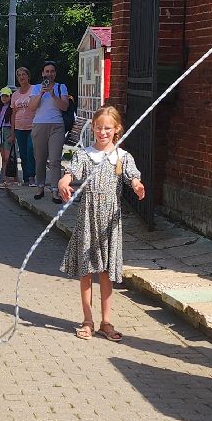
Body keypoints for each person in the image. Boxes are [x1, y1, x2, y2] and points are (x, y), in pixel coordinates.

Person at [58, 105, 145, 341]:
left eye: (107, 128)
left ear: (117, 129)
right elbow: (70, 173)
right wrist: (63, 181)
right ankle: (87, 320)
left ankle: (106, 321)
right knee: (86, 271)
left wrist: (137, 186)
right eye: (98, 127)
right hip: (88, 218)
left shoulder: (121, 157)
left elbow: (132, 177)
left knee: (105, 271)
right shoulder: (85, 155)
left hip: (110, 222)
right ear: (93, 128)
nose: (102, 132)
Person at [29, 60, 71, 201]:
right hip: (39, 125)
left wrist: (53, 95)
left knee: (54, 160)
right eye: (47, 71)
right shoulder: (36, 88)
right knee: (40, 159)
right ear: (42, 73)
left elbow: (64, 107)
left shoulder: (61, 87)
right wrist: (41, 93)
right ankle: (40, 187)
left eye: (52, 71)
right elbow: (32, 107)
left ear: (55, 73)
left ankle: (55, 190)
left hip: (56, 126)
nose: (49, 74)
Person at [10, 65, 36, 186]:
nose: (21, 77)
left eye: (23, 74)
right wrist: (12, 132)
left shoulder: (34, 89)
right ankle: (26, 178)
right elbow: (13, 113)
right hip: (19, 127)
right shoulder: (15, 94)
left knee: (31, 151)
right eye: (19, 75)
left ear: (28, 76)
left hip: (33, 126)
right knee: (24, 154)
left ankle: (32, 176)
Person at [0, 88, 15, 187]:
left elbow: (13, 122)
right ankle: (4, 178)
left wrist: (12, 134)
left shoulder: (11, 108)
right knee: (3, 157)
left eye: (7, 96)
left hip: (8, 131)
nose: (4, 98)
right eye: (3, 96)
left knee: (8, 157)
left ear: (10, 97)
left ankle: (11, 178)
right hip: (0, 132)